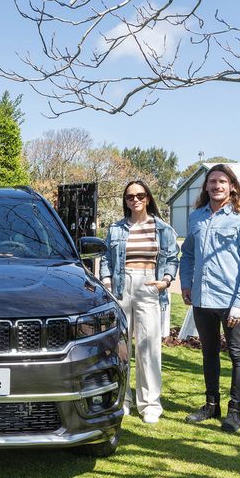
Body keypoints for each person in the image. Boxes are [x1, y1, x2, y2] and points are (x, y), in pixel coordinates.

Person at [180, 164, 240, 433]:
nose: (216, 186)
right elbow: (188, 254)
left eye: (222, 181)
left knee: (238, 355)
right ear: (206, 187)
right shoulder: (196, 218)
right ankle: (211, 405)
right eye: (212, 181)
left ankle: (234, 412)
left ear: (232, 186)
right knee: (208, 353)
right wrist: (186, 284)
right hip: (203, 300)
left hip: (231, 301)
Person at [100, 180, 179, 424]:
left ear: (148, 198)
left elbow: (173, 258)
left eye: (140, 195)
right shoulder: (116, 229)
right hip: (121, 286)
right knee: (121, 348)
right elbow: (105, 257)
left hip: (149, 286)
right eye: (130, 197)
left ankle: (150, 404)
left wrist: (165, 280)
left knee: (148, 347)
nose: (135, 200)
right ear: (125, 201)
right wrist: (106, 281)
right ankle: (122, 400)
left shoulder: (162, 229)